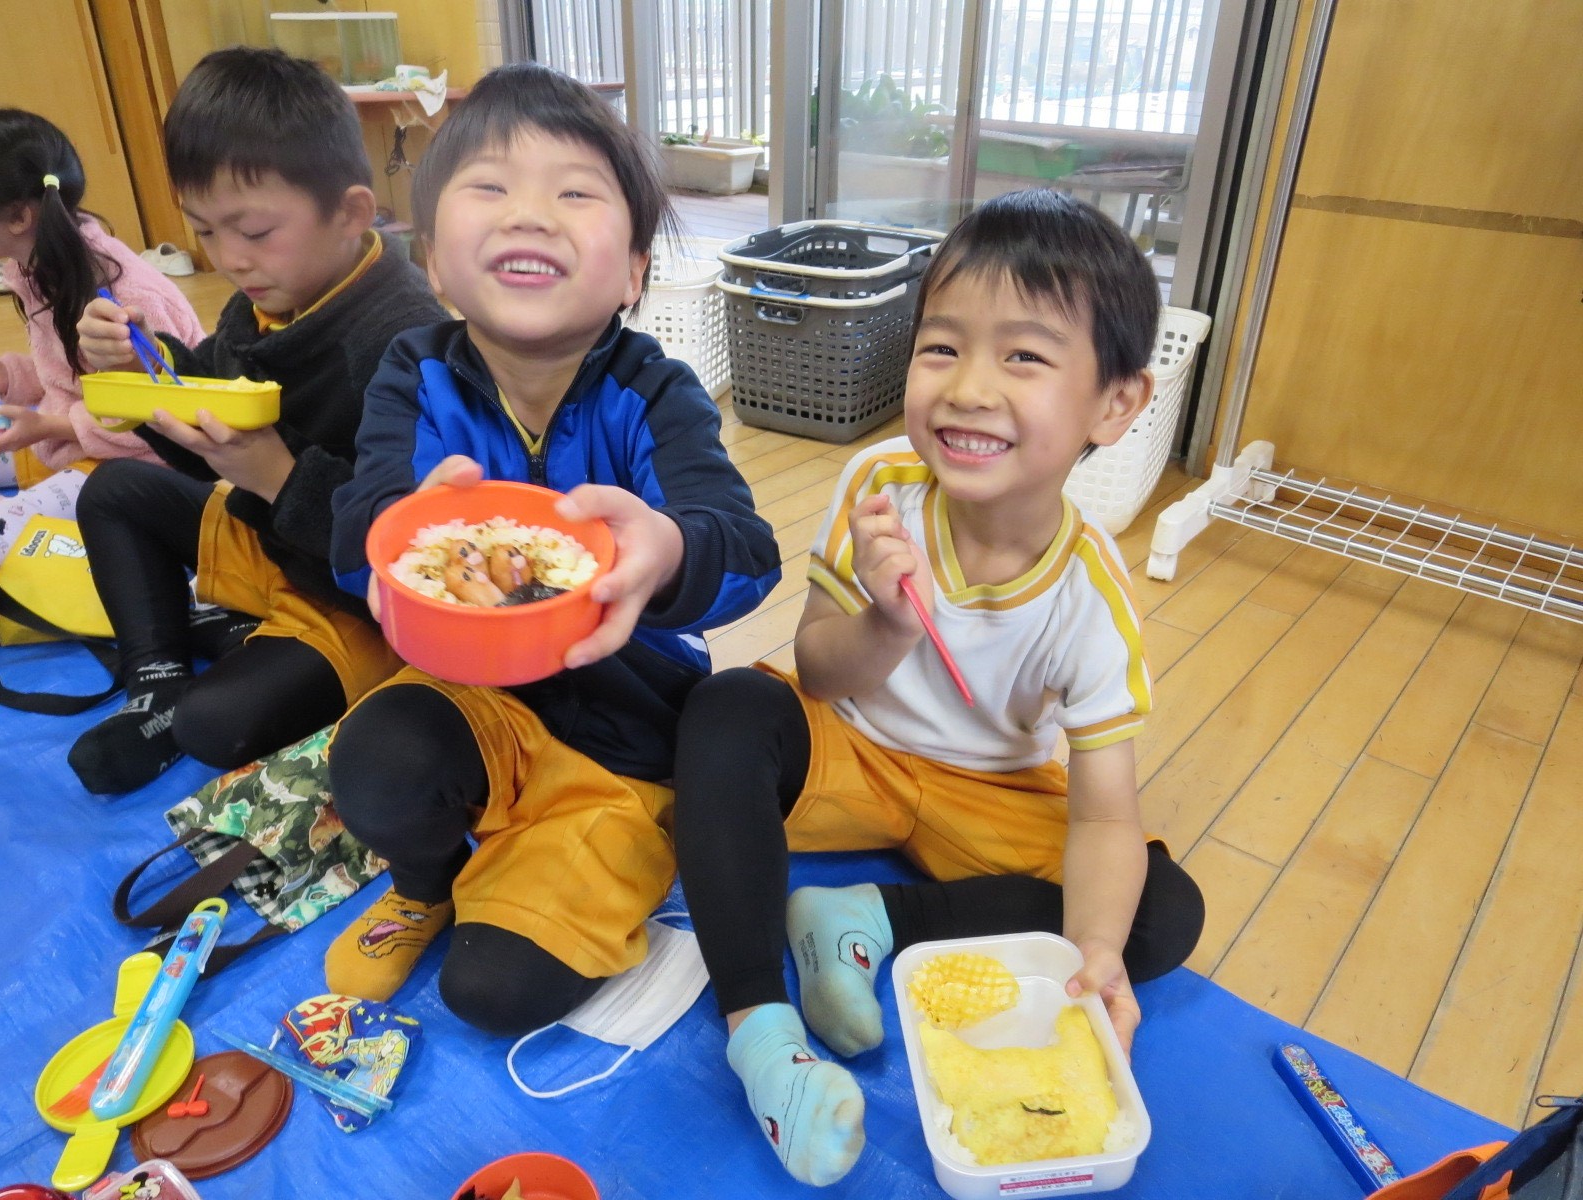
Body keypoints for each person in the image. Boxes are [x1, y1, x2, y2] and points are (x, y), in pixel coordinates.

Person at [670, 189, 1207, 1186]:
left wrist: (1090, 961)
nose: (967, 388)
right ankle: (760, 1030)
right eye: (941, 347)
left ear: (1115, 404)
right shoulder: (879, 487)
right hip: (852, 749)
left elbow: (1100, 818)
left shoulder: (1094, 597)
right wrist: (886, 622)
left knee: (1157, 909)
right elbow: (819, 671)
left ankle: (865, 922)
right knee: (726, 707)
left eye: (1025, 357)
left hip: (989, 794)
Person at [321, 63, 781, 1036]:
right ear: (434, 264)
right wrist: (390, 539)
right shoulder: (416, 375)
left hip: (625, 732)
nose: (529, 213)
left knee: (491, 993)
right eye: (488, 187)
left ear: (635, 271)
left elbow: (747, 554)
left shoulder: (655, 394)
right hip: (470, 706)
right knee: (372, 759)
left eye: (573, 192)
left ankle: (612, 843)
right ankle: (426, 882)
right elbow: (359, 532)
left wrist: (665, 551)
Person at [65, 47, 445, 794]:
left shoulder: (402, 339)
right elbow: (207, 444)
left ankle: (214, 661)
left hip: (358, 601)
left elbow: (417, 549)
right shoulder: (264, 299)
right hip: (270, 544)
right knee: (111, 493)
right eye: (206, 232)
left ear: (351, 213)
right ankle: (159, 677)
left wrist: (278, 476)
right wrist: (152, 371)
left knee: (217, 725)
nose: (232, 259)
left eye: (255, 231)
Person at [0, 108, 207, 576]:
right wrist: (6, 376)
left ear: (20, 215)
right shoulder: (35, 266)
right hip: (75, 441)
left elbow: (161, 423)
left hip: (145, 470)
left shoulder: (124, 296)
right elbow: (69, 376)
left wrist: (50, 428)